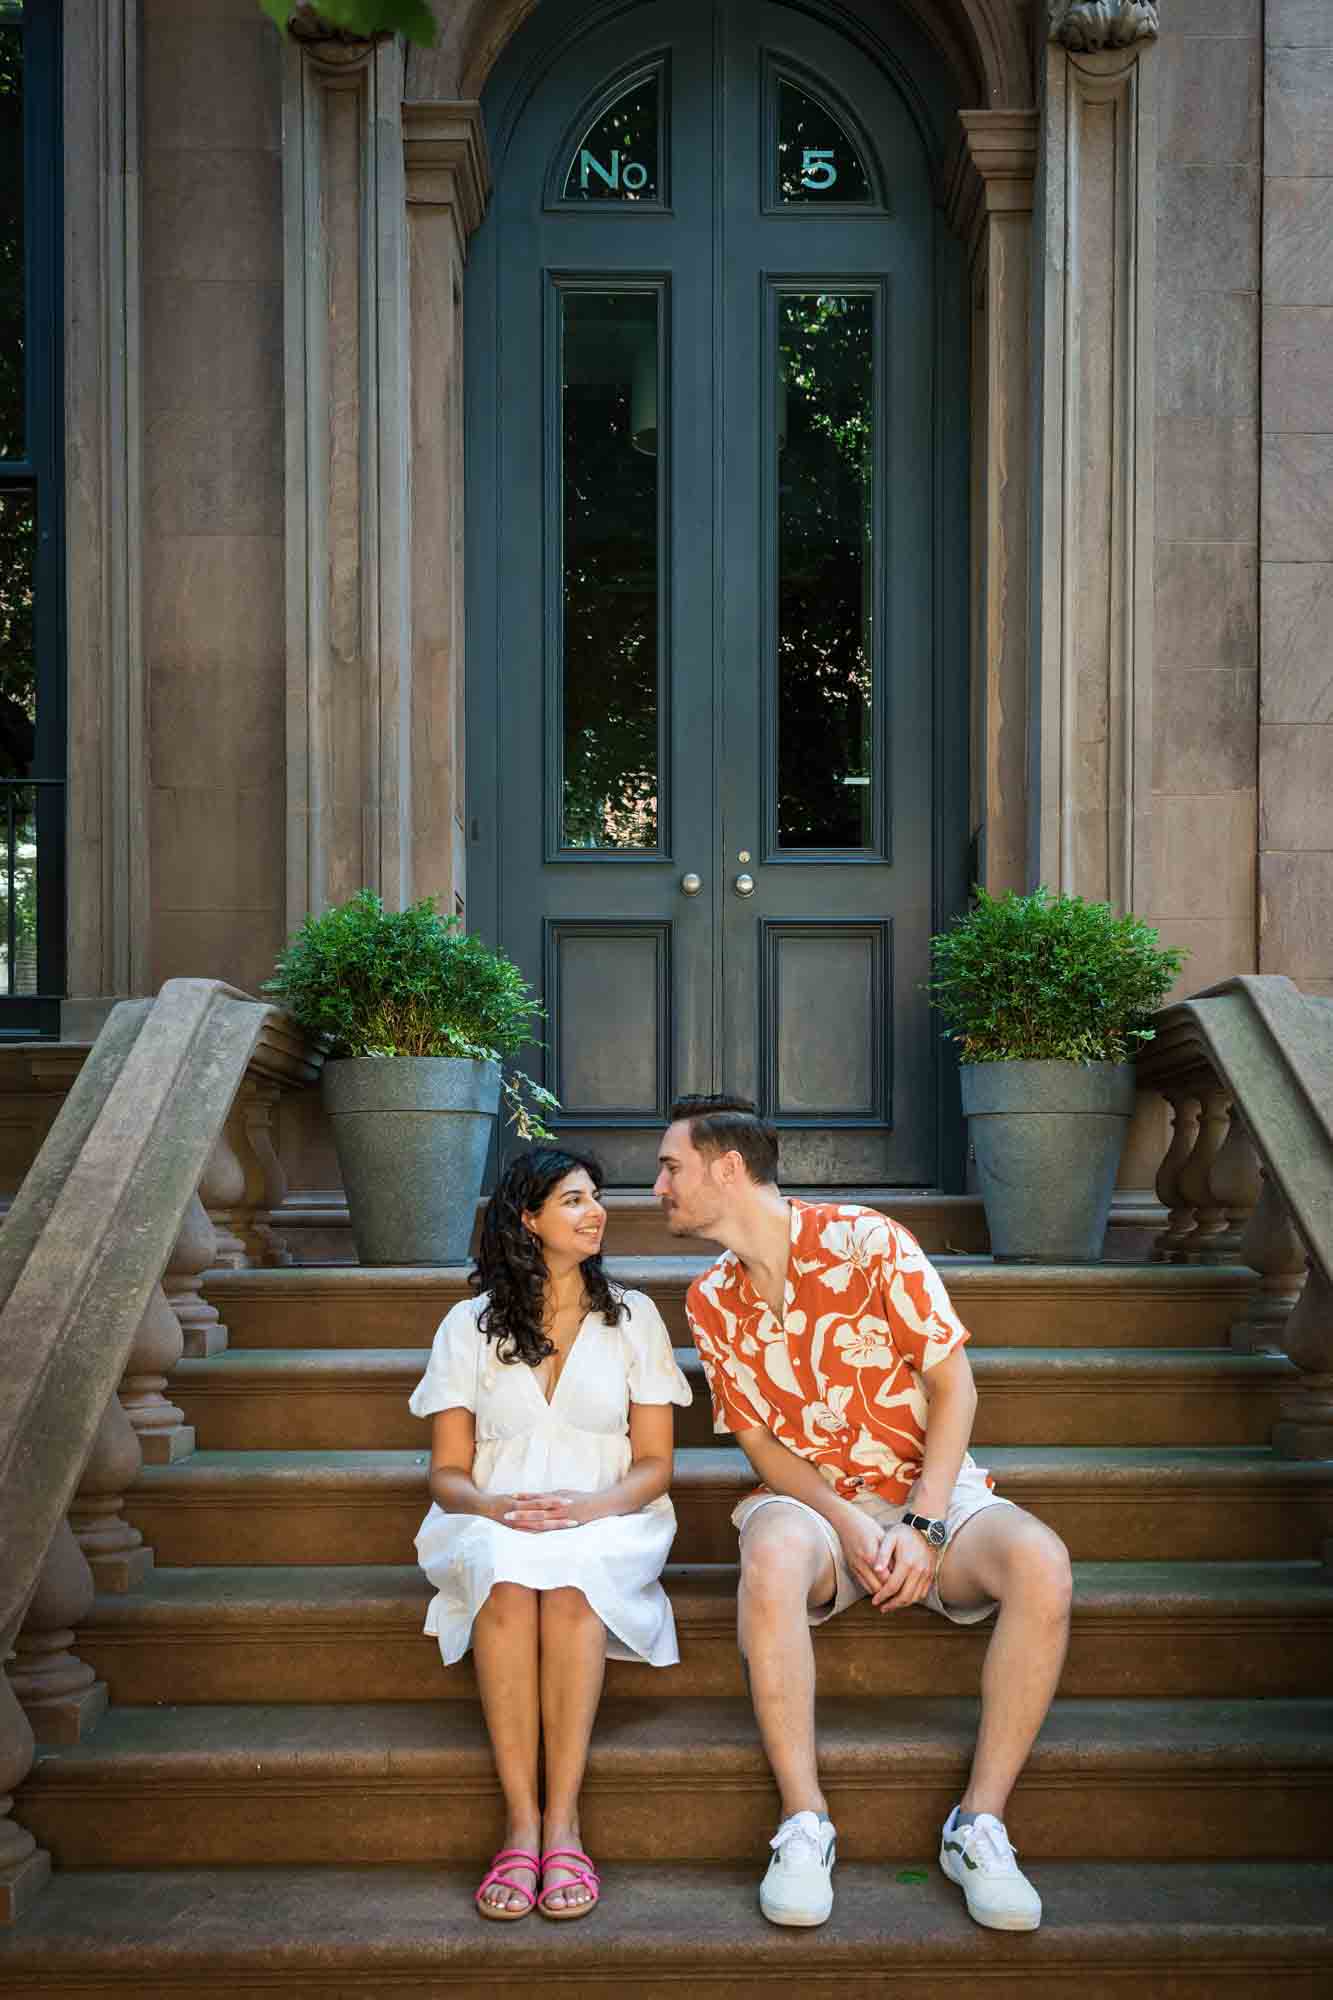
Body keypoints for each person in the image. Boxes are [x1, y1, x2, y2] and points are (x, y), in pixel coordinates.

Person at [655, 1095, 1073, 1934]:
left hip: (930, 1490)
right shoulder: (708, 1300)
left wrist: (919, 1524)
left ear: (726, 1169)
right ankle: (804, 1824)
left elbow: (954, 1385)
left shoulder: (867, 1239)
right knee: (770, 1552)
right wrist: (845, 1520)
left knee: (1041, 1561)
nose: (656, 1185)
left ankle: (977, 1826)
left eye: (671, 1166)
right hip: (811, 1504)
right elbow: (762, 1446)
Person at [410, 1146, 691, 1923]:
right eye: (573, 1199)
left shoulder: (632, 1318)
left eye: (596, 1197)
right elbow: (446, 1474)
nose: (595, 1210)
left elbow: (655, 1465)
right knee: (504, 1576)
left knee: (569, 1587)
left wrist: (592, 1506)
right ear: (527, 1218)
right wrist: (494, 1510)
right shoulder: (466, 1326)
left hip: (609, 1515)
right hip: (491, 1518)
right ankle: (520, 1823)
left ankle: (563, 1820)